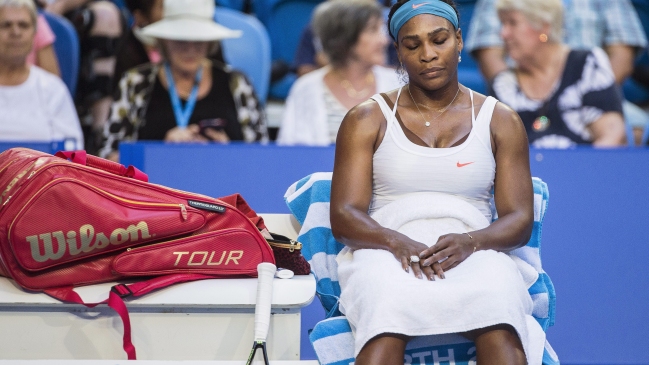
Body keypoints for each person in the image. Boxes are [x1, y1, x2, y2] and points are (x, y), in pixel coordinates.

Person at [330, 0, 545, 364]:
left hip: (476, 250)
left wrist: (470, 242)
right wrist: (397, 242)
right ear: (398, 52)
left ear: (459, 41)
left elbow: (519, 220)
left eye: (439, 40)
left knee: (502, 328)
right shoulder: (366, 118)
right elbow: (345, 215)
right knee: (384, 324)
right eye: (412, 45)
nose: (427, 54)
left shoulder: (501, 120)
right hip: (386, 251)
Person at [99, 0, 268, 161]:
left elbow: (262, 157)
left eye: (198, 41)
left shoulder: (237, 84)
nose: (190, 49)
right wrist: (162, 151)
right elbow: (108, 157)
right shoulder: (135, 83)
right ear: (164, 41)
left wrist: (225, 151)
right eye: (181, 41)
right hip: (153, 187)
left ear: (209, 43)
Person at [488, 0, 625, 148]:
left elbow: (612, 136)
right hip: (529, 172)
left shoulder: (586, 65)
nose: (503, 34)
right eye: (502, 24)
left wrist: (583, 170)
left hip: (586, 169)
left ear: (544, 26)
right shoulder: (503, 85)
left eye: (512, 23)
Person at [277, 0, 402, 146]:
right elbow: (290, 153)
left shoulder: (398, 85)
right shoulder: (305, 88)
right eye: (373, 30)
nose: (384, 40)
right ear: (346, 38)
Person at [0, 0, 83, 148]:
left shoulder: (52, 89)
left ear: (35, 34)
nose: (16, 32)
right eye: (6, 25)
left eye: (23, 25)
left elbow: (71, 150)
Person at [45, 0, 125, 153]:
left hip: (70, 11)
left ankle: (100, 132)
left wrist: (62, 5)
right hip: (24, 7)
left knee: (105, 15)